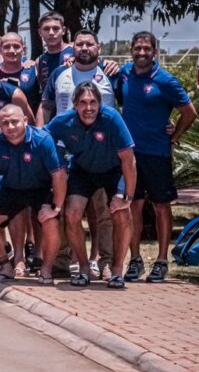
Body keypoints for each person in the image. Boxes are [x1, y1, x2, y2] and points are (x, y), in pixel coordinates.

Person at [113, 31, 197, 283]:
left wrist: (173, 137)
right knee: (133, 205)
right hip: (130, 155)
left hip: (157, 153)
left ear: (155, 52)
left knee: (161, 206)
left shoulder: (166, 81)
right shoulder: (123, 74)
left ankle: (161, 261)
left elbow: (189, 113)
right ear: (131, 50)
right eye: (137, 48)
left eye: (146, 49)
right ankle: (135, 259)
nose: (141, 53)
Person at [47, 83, 136, 289]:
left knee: (122, 213)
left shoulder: (112, 118)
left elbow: (129, 160)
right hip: (83, 171)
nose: (88, 108)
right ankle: (84, 268)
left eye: (93, 102)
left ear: (99, 103)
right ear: (75, 105)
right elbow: (39, 137)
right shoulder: (63, 121)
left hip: (113, 170)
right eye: (83, 103)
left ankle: (116, 270)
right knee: (72, 213)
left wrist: (127, 196)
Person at [0, 104, 66, 285]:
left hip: (41, 188)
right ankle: (6, 266)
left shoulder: (42, 139)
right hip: (10, 188)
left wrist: (57, 207)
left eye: (14, 122)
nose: (10, 127)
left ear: (25, 120)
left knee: (51, 221)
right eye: (5, 123)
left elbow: (59, 174)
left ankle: (46, 269)